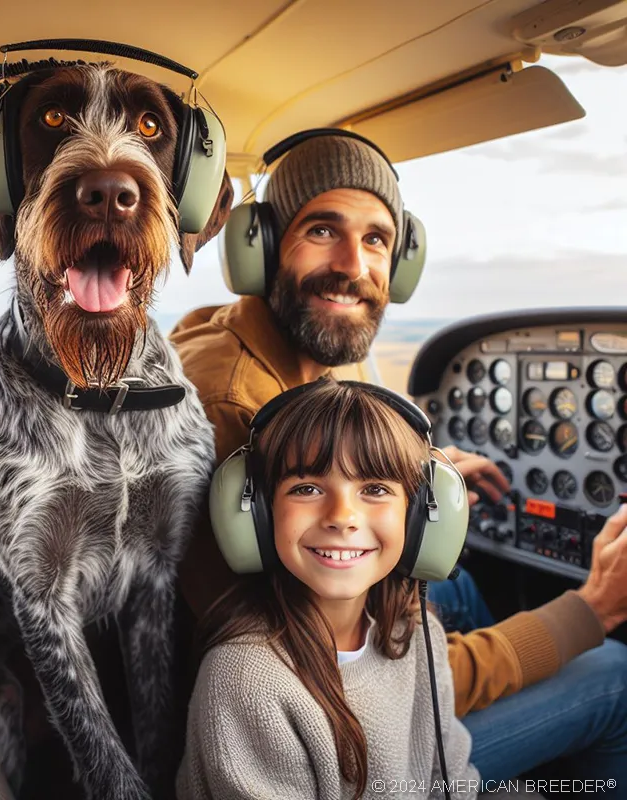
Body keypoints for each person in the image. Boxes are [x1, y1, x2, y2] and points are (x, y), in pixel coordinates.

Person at [170, 130, 627, 784]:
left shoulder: (265, 338)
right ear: (261, 247)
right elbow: (341, 675)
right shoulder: (233, 407)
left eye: (377, 239)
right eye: (322, 230)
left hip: (341, 659)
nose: (355, 265)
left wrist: (411, 474)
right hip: (333, 728)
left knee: (460, 587)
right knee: (611, 673)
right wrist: (591, 610)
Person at [178, 379, 517, 799]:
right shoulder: (247, 680)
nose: (343, 517)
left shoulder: (416, 633)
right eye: (307, 488)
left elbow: (450, 781)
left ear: (420, 520)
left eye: (375, 489)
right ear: (259, 515)